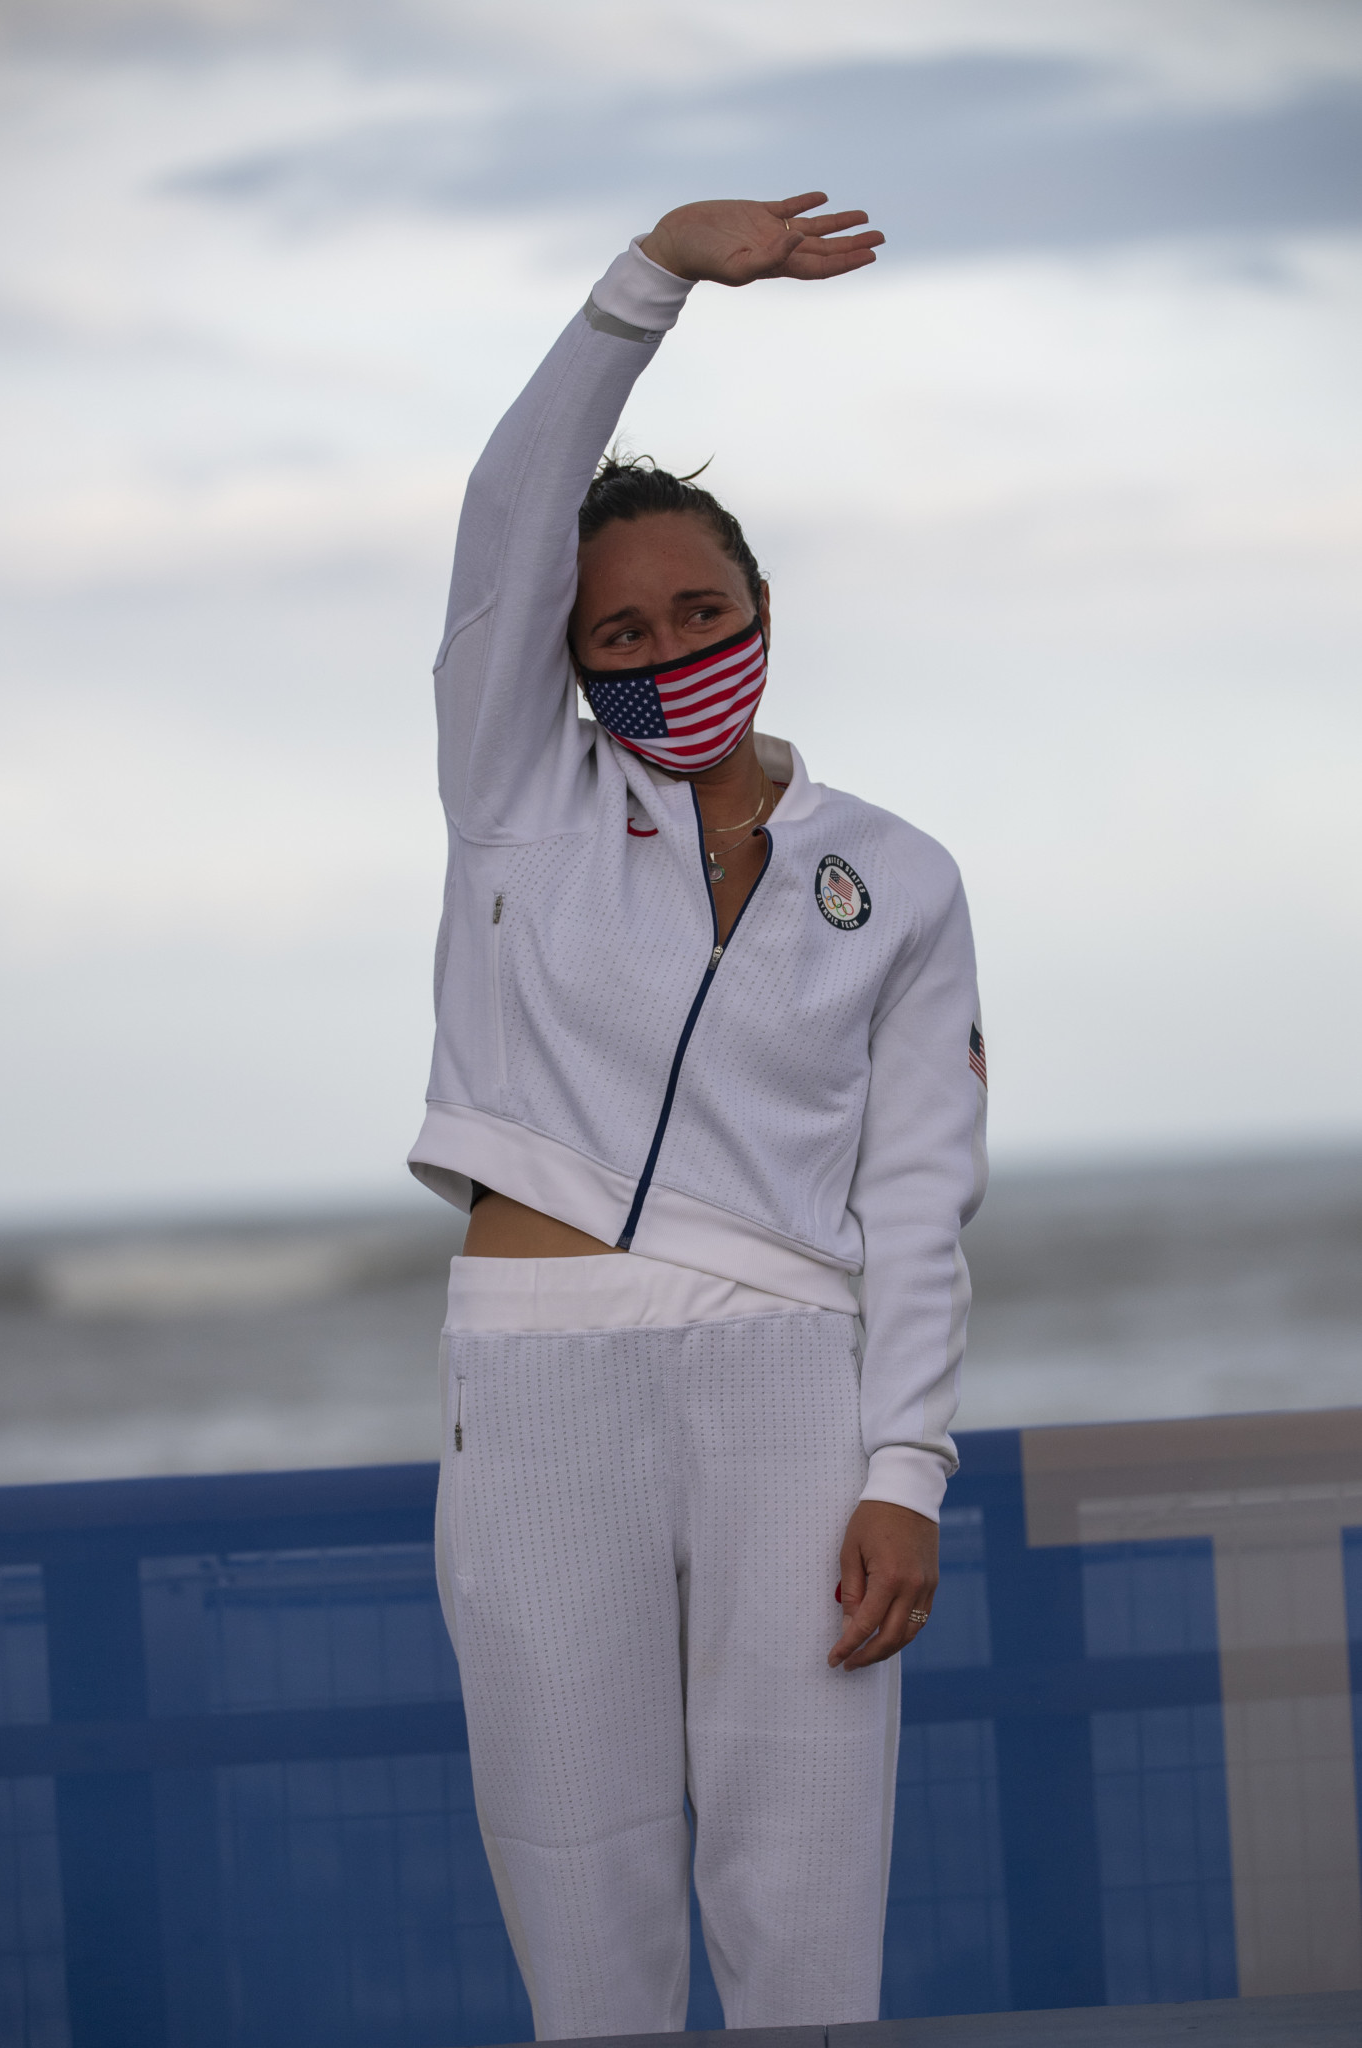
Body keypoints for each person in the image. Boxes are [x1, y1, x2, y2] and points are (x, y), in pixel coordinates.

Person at [408, 193, 988, 2039]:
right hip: (541, 1368)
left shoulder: (894, 876)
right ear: (560, 659)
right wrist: (646, 281)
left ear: (761, 610)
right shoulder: (516, 795)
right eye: (620, 630)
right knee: (579, 1893)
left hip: (785, 1381)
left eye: (703, 611)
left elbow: (917, 1196)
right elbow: (514, 514)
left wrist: (903, 1471)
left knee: (806, 1887)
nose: (668, 648)